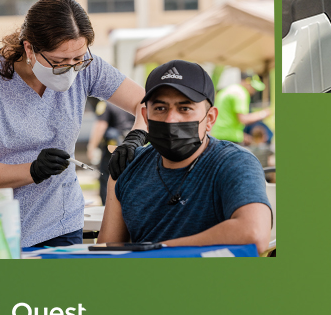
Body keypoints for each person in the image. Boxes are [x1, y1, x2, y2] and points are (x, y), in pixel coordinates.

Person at [0, 0, 148, 247]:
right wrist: (32, 170)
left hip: (63, 222)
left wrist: (136, 137)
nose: (71, 68)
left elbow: (149, 103)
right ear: (29, 48)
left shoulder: (87, 67)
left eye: (78, 59)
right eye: (59, 62)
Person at [98, 60, 272, 254]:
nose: (171, 119)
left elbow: (254, 234)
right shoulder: (127, 165)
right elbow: (106, 249)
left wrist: (157, 250)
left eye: (185, 108)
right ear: (146, 117)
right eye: (161, 108)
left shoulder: (234, 162)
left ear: (210, 119)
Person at [86, 100, 134, 206]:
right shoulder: (131, 103)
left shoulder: (106, 104)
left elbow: (100, 126)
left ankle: (107, 209)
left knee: (107, 179)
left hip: (113, 150)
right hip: (133, 148)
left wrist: (91, 147)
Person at [214, 74, 272, 145]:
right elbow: (243, 118)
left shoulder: (226, 90)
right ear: (247, 82)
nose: (253, 92)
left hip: (217, 135)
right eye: (253, 88)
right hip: (230, 138)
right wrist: (263, 114)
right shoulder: (241, 93)